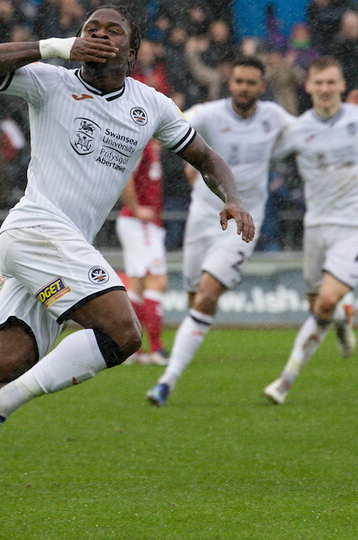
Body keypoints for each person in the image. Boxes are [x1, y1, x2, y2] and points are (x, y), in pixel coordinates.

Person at [0, 6, 254, 536]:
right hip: (36, 230)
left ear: (132, 51)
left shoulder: (151, 105)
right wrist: (53, 46)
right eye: (91, 28)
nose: (99, 35)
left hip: (62, 247)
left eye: (113, 31)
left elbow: (206, 158)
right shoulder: (49, 81)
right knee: (122, 332)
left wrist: (234, 199)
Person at [146, 56, 295, 406]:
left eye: (251, 83)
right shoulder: (209, 114)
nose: (244, 88)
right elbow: (172, 126)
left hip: (243, 222)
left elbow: (307, 132)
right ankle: (187, 344)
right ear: (230, 82)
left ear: (262, 86)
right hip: (203, 218)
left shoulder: (274, 117)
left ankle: (166, 381)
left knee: (209, 294)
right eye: (239, 81)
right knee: (195, 297)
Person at [263, 56, 358, 405]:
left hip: (356, 223)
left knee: (325, 301)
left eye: (331, 82)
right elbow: (261, 158)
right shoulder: (296, 130)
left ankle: (286, 379)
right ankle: (344, 319)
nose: (325, 89)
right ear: (308, 86)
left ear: (342, 85)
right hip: (316, 225)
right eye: (319, 83)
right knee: (320, 305)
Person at [116, 140, 168, 366]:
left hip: (140, 223)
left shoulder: (151, 147)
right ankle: (156, 349)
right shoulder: (143, 146)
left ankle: (130, 349)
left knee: (136, 285)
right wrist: (136, 209)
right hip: (140, 223)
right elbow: (124, 177)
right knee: (157, 281)